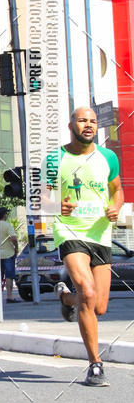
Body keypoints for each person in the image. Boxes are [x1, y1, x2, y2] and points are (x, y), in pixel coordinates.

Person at [49, 106, 123, 387]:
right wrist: (57, 205)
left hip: (100, 233)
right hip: (70, 230)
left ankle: (66, 299)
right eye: (82, 120)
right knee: (88, 291)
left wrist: (116, 207)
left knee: (99, 307)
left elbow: (117, 190)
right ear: (71, 126)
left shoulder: (108, 157)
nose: (88, 125)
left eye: (92, 121)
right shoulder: (55, 158)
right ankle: (95, 364)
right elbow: (41, 198)